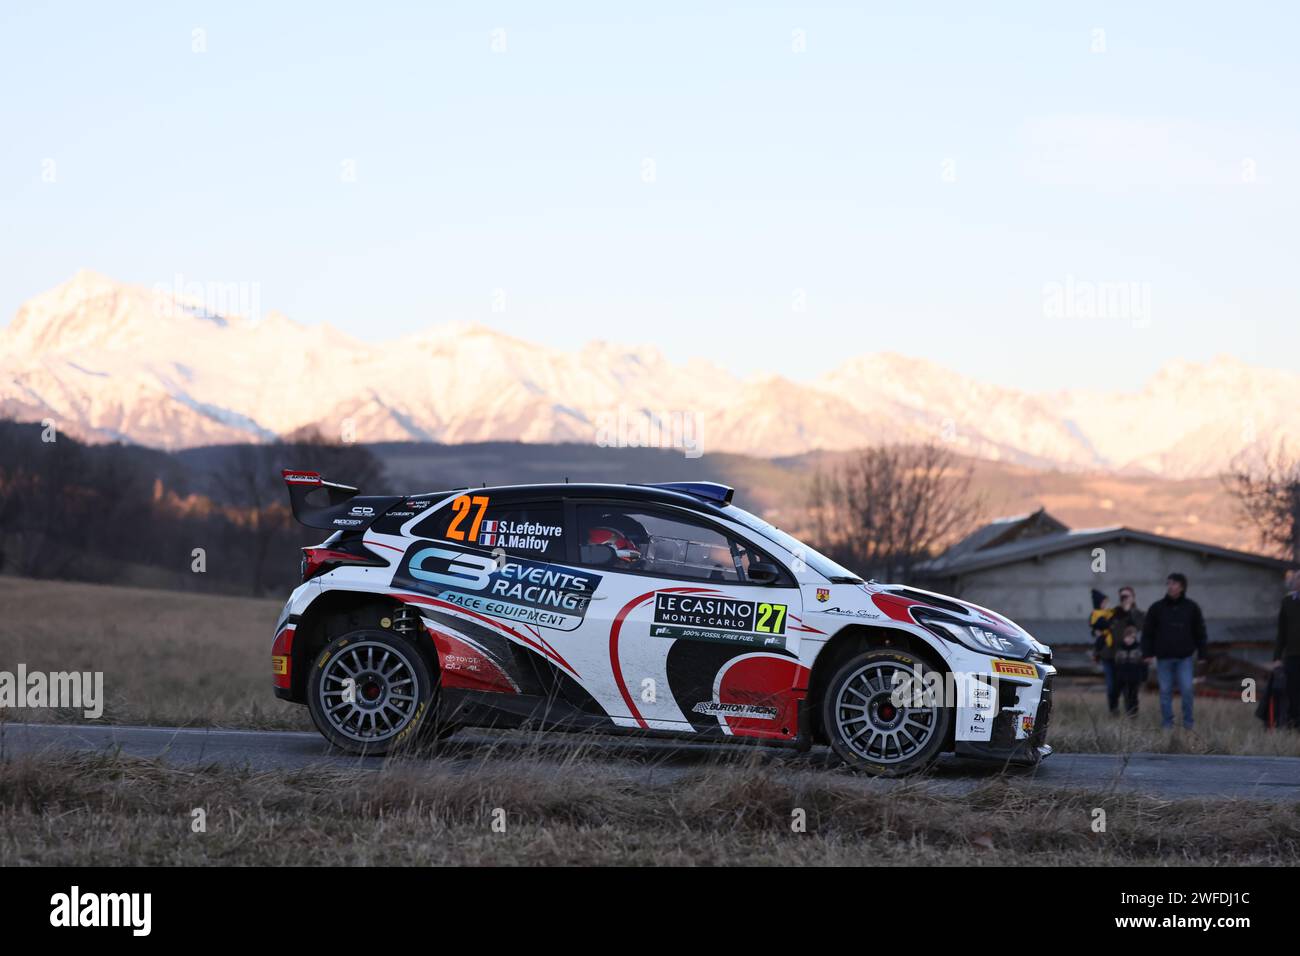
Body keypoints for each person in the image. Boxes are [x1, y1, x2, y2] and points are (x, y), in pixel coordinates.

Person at [1141, 572, 1209, 730]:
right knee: (1165, 692)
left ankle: (1188, 724)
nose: (1170, 586)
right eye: (1168, 583)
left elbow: (1200, 632)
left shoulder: (1191, 608)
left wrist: (1202, 654)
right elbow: (1147, 633)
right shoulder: (1157, 608)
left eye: (1174, 583)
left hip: (1184, 658)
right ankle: (1167, 724)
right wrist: (1147, 653)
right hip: (1163, 658)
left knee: (1187, 690)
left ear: (1182, 587)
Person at [1097, 585, 1144, 715]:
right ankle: (1114, 712)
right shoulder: (1114, 612)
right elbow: (1104, 626)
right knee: (1112, 687)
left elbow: (1140, 627)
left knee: (1129, 688)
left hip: (1127, 656)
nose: (1124, 598)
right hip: (1111, 655)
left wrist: (1130, 611)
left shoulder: (1138, 614)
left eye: (1127, 595)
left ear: (1133, 597)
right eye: (1122, 596)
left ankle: (1131, 713)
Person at [1272, 569, 1300, 729]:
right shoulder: (1287, 602)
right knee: (1293, 690)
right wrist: (1276, 658)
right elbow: (1281, 632)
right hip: (1293, 655)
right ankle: (1295, 724)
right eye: (1298, 579)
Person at [1113, 625, 1148, 717]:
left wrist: (1144, 676)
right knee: (1120, 695)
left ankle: (1133, 714)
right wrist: (1116, 676)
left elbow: (1143, 664)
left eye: (1132, 637)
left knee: (1133, 696)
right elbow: (1116, 664)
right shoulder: (1120, 649)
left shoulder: (1138, 649)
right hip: (1121, 677)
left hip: (1134, 677)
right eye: (1127, 637)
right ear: (1124, 637)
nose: (1129, 639)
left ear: (1135, 638)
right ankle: (1117, 712)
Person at [1088, 589, 1115, 709]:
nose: (1107, 605)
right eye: (1104, 602)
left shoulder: (1108, 614)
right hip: (1106, 651)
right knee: (1111, 684)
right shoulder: (1097, 615)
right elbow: (1102, 624)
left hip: (1113, 650)